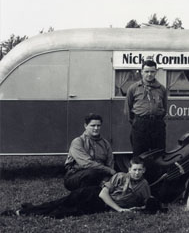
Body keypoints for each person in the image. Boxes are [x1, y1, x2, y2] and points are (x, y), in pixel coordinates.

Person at [3, 158, 152, 219]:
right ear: (129, 169)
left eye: (140, 170)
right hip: (92, 195)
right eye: (134, 169)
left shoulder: (143, 186)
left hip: (98, 206)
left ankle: (30, 209)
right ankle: (21, 212)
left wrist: (137, 208)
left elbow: (145, 203)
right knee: (58, 204)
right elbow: (103, 193)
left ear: (144, 170)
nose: (137, 173)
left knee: (62, 213)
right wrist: (118, 209)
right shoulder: (120, 176)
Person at [125, 59, 168, 158]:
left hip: (157, 125)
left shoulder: (162, 89)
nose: (149, 74)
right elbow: (128, 109)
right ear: (141, 72)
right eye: (146, 71)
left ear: (156, 72)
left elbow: (164, 108)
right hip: (140, 125)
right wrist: (138, 122)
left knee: (159, 155)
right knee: (139, 155)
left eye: (152, 71)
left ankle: (156, 174)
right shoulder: (133, 88)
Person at [64, 113, 117, 191]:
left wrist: (106, 180)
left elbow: (110, 164)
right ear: (85, 126)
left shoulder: (106, 144)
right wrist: (108, 170)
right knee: (92, 173)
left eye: (98, 125)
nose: (96, 128)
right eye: (93, 125)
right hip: (76, 175)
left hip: (99, 175)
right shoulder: (78, 142)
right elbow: (86, 163)